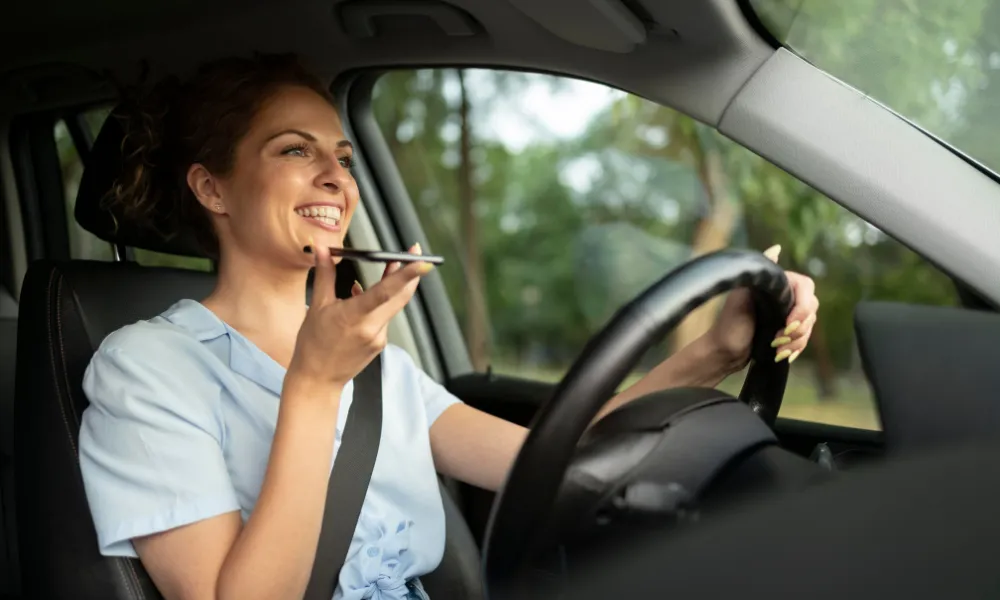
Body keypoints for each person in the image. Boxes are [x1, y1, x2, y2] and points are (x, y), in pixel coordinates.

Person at [78, 54, 820, 600]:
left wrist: (716, 351)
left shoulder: (380, 367)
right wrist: (311, 384)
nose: (337, 177)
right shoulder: (145, 367)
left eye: (341, 155)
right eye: (294, 151)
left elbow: (557, 458)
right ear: (212, 186)